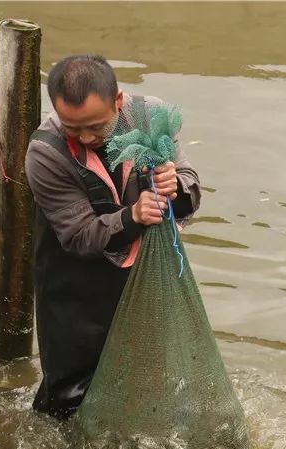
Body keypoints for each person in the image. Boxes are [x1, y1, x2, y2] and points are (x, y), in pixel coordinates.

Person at [24, 55, 201, 418]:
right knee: (68, 399)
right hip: (75, 289)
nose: (86, 138)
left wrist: (176, 185)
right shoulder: (45, 153)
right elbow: (78, 235)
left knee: (150, 386)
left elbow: (190, 187)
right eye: (74, 129)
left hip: (145, 279)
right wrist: (134, 216)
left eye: (95, 126)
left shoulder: (151, 117)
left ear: (118, 102)